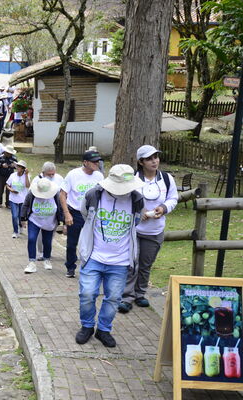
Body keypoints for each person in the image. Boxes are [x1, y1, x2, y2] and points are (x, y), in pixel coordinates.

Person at [75, 164, 144, 348]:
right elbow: (85, 214)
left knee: (113, 298)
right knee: (87, 294)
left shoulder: (136, 199)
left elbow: (135, 222)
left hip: (120, 261)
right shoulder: (93, 195)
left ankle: (104, 329)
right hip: (93, 256)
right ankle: (87, 326)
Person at [119, 145, 178, 313]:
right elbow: (125, 199)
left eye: (156, 157)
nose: (154, 161)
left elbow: (173, 197)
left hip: (155, 230)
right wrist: (139, 211)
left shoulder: (166, 178)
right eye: (149, 159)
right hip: (135, 230)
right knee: (132, 263)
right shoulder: (133, 179)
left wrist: (164, 208)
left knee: (146, 264)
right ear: (141, 162)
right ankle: (127, 296)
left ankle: (140, 294)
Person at [60, 150, 104, 278]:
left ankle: (91, 267)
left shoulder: (99, 176)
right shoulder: (73, 174)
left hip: (93, 214)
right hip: (76, 212)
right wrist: (67, 214)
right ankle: (70, 266)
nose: (97, 163)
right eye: (94, 161)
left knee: (94, 241)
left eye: (98, 161)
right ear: (85, 162)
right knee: (72, 242)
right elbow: (62, 195)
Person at [20, 177, 62, 273]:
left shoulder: (55, 194)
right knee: (31, 239)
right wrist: (22, 218)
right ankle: (32, 262)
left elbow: (60, 207)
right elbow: (25, 205)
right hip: (34, 220)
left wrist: (63, 221)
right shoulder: (32, 193)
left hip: (49, 221)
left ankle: (46, 259)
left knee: (47, 242)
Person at [35, 161, 64, 260]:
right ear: (43, 172)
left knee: (51, 232)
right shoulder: (37, 180)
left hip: (54, 211)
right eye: (49, 174)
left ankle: (47, 250)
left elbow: (63, 193)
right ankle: (41, 252)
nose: (51, 176)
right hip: (41, 210)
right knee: (40, 232)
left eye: (53, 174)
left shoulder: (59, 178)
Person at [6, 160, 30, 238]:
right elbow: (7, 185)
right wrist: (11, 190)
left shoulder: (26, 176)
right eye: (17, 166)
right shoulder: (12, 175)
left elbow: (27, 186)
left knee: (20, 216)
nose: (17, 168)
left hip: (23, 200)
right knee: (14, 216)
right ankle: (15, 231)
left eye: (19, 167)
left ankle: (20, 226)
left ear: (23, 169)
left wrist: (26, 175)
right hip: (13, 199)